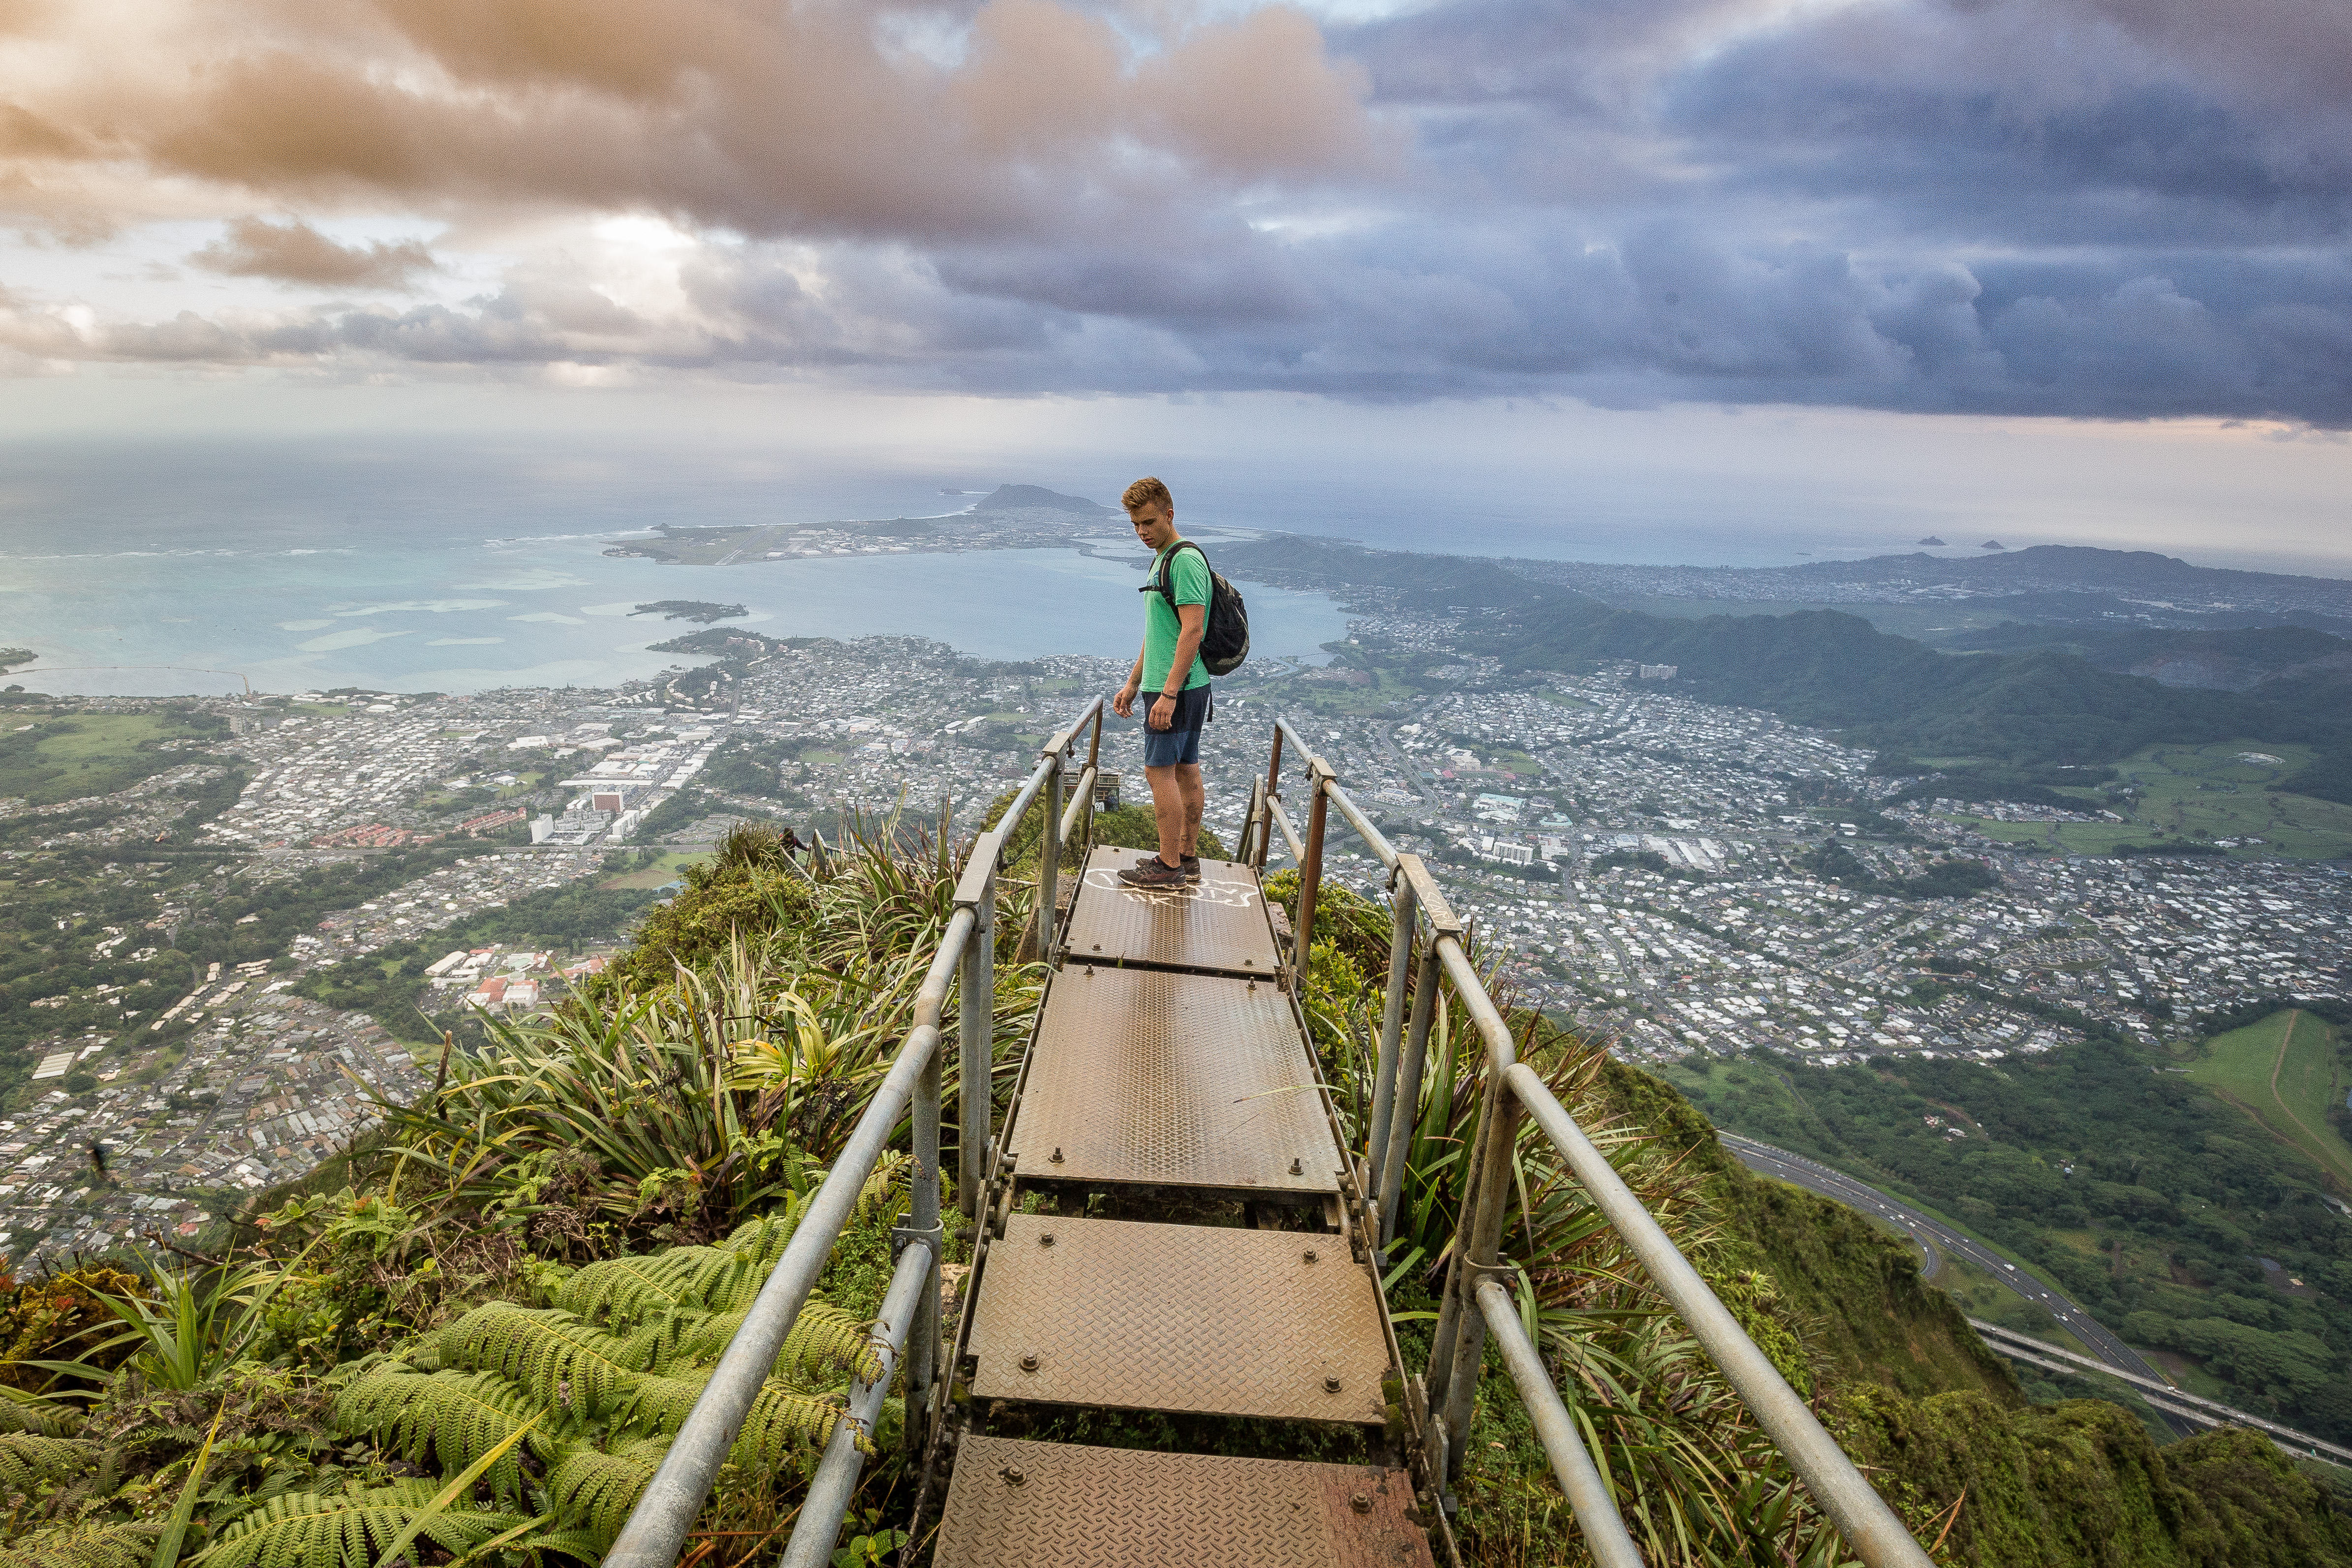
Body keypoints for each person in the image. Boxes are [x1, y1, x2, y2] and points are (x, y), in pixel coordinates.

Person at [1113, 476, 1209, 888]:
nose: (1142, 532)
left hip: (1176, 688)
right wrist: (1134, 682)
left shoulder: (1183, 560)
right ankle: (1186, 857)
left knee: (1160, 773)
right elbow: (1158, 632)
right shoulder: (1163, 558)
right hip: (1181, 685)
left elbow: (1192, 630)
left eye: (1149, 522)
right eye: (1136, 524)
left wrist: (1167, 692)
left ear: (1170, 514)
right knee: (1186, 769)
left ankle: (1168, 866)